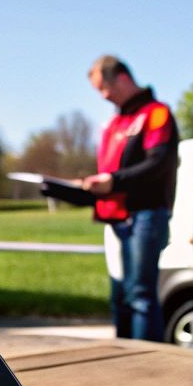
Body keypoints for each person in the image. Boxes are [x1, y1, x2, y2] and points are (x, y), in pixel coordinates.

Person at [75, 55, 179, 343]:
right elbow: (110, 169)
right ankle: (120, 358)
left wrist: (114, 182)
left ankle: (148, 363)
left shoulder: (156, 113)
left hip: (145, 215)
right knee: (119, 295)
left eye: (104, 88)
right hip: (114, 217)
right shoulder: (114, 123)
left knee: (141, 295)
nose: (104, 96)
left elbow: (158, 163)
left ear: (121, 78)